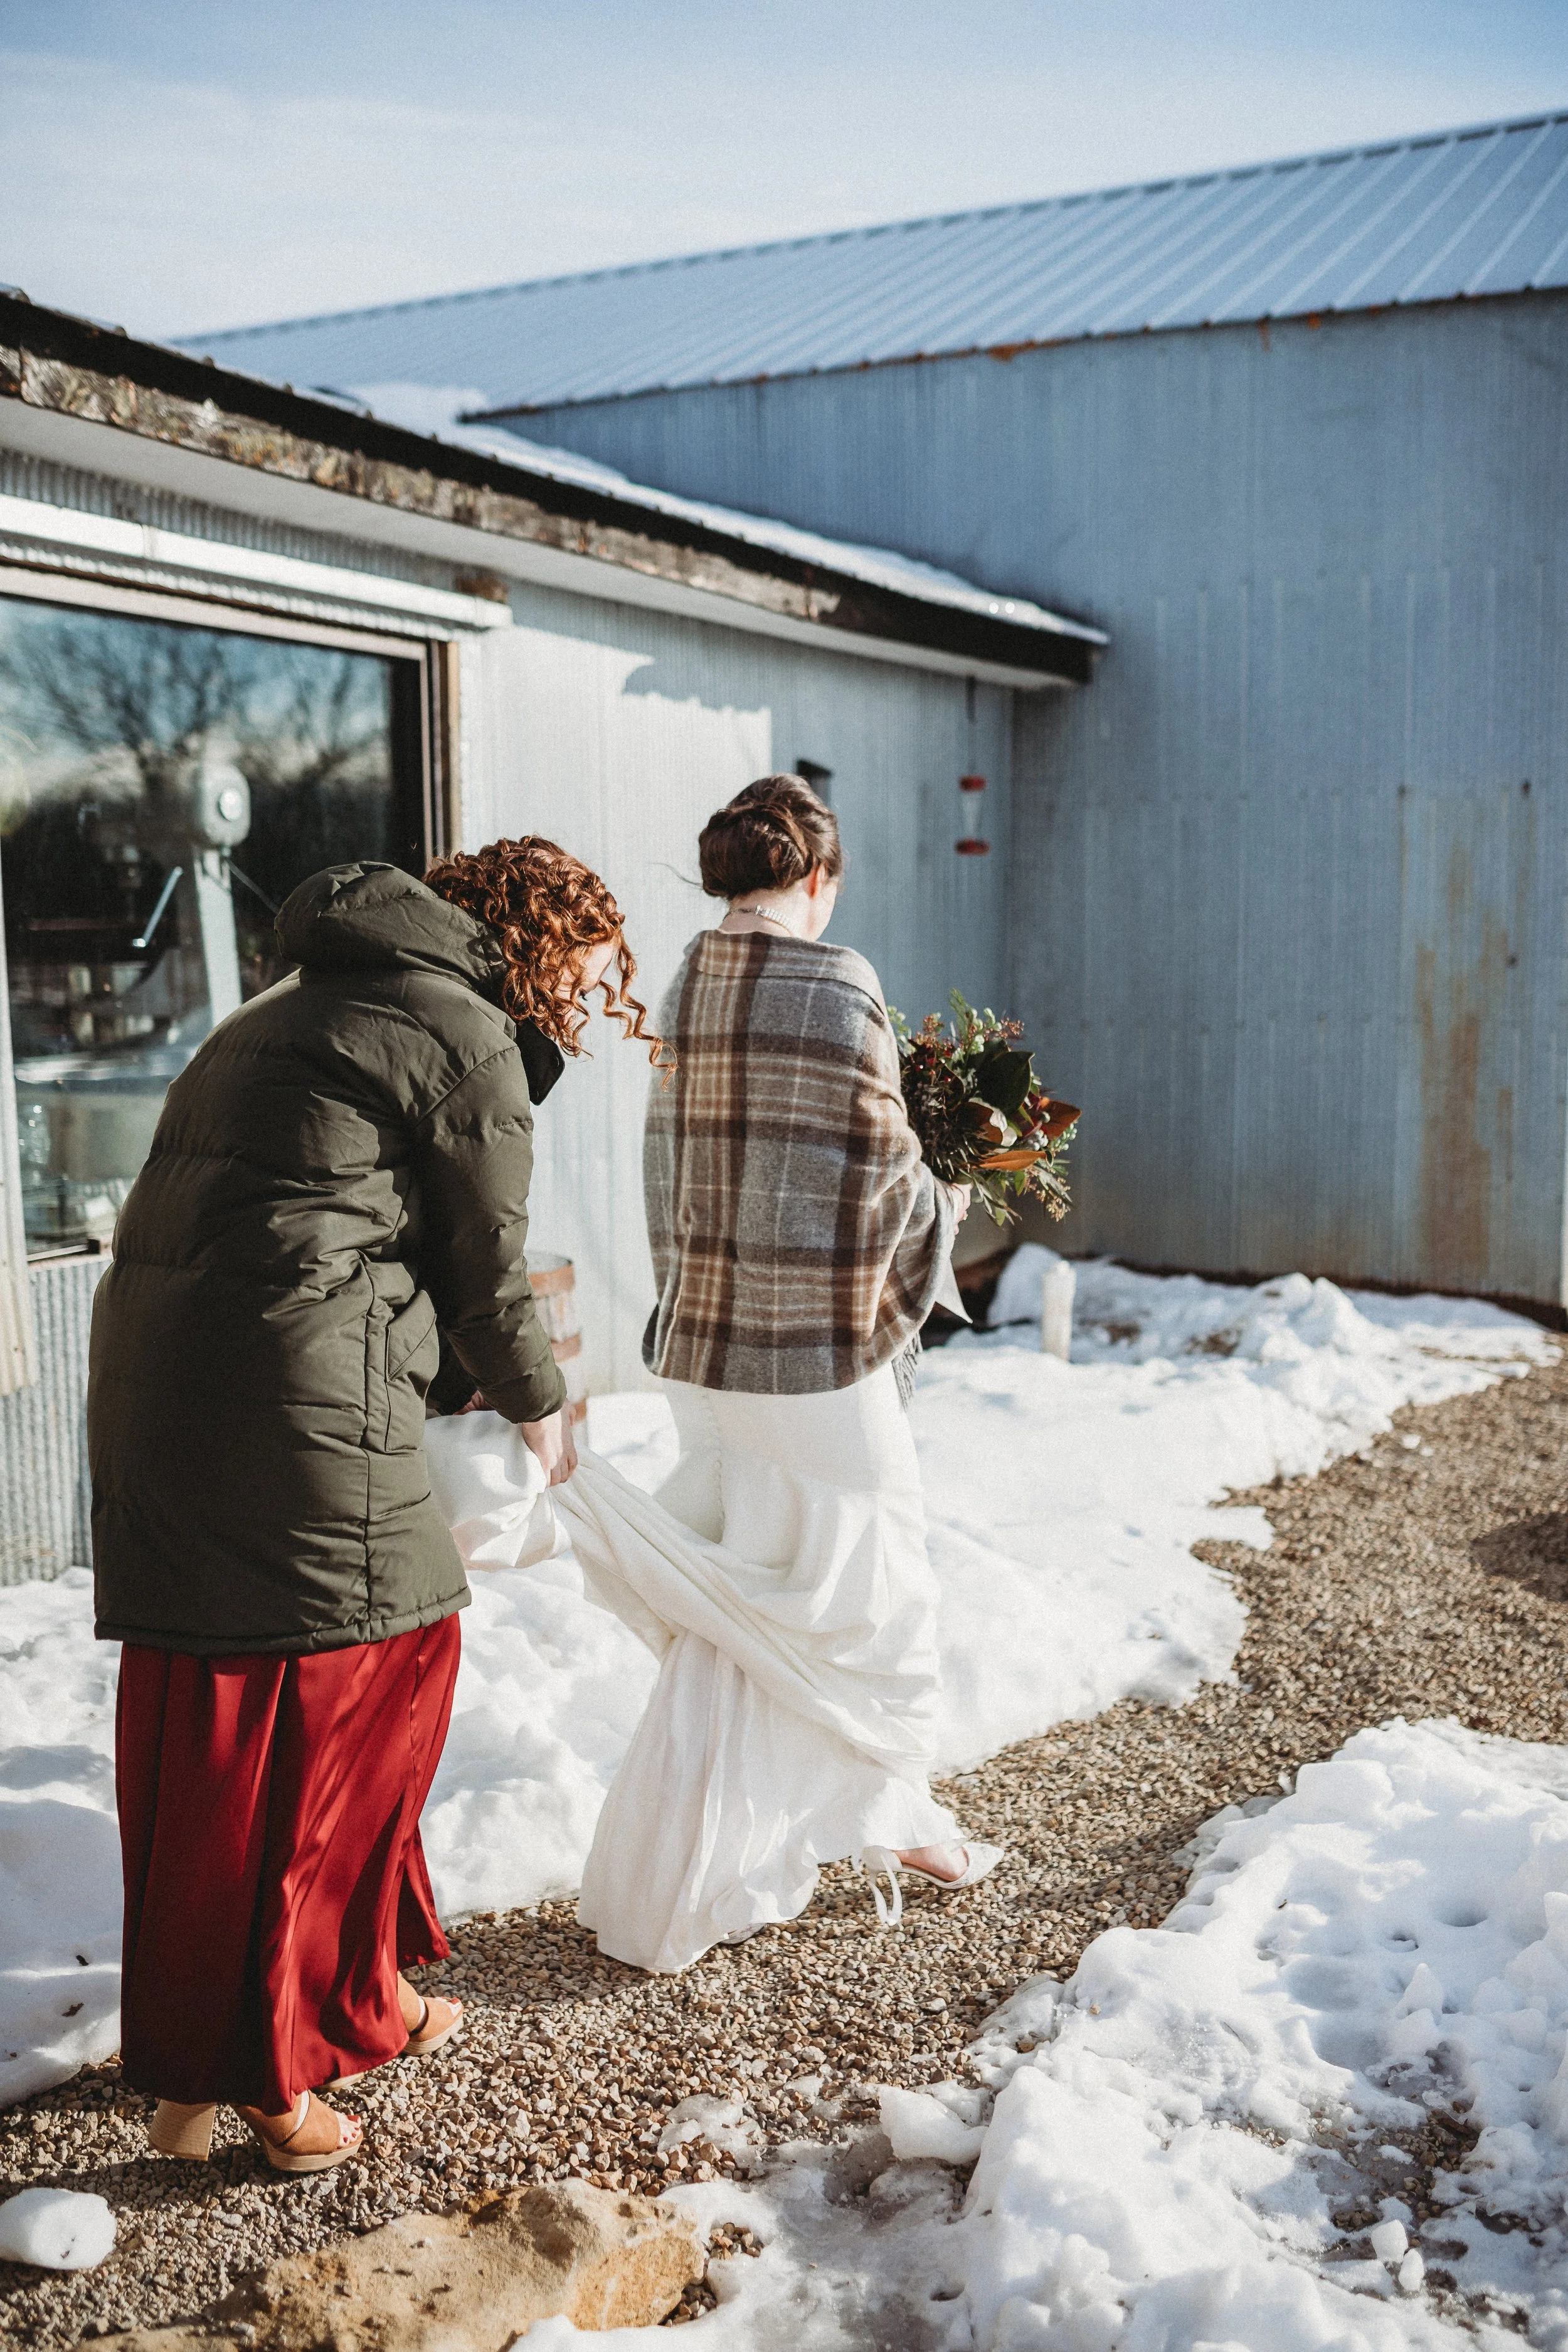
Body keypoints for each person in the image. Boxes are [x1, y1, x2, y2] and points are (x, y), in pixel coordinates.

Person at [89, 842, 657, 2171]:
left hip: (168, 1400)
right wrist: (544, 1410)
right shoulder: (460, 1029)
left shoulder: (291, 1004)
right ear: (528, 949)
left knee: (227, 1726)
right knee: (332, 1725)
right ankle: (274, 2078)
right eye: (576, 980)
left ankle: (280, 2035)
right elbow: (485, 1266)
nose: (577, 1007)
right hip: (292, 1402)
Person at [563, 773, 1002, 1970]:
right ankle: (878, 1820)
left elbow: (682, 1168)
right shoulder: (842, 980)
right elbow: (883, 1177)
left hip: (704, 1349)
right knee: (873, 1597)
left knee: (756, 1604)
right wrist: (958, 1183)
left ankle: (725, 1853)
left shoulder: (689, 979)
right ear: (820, 876)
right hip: (813, 1365)